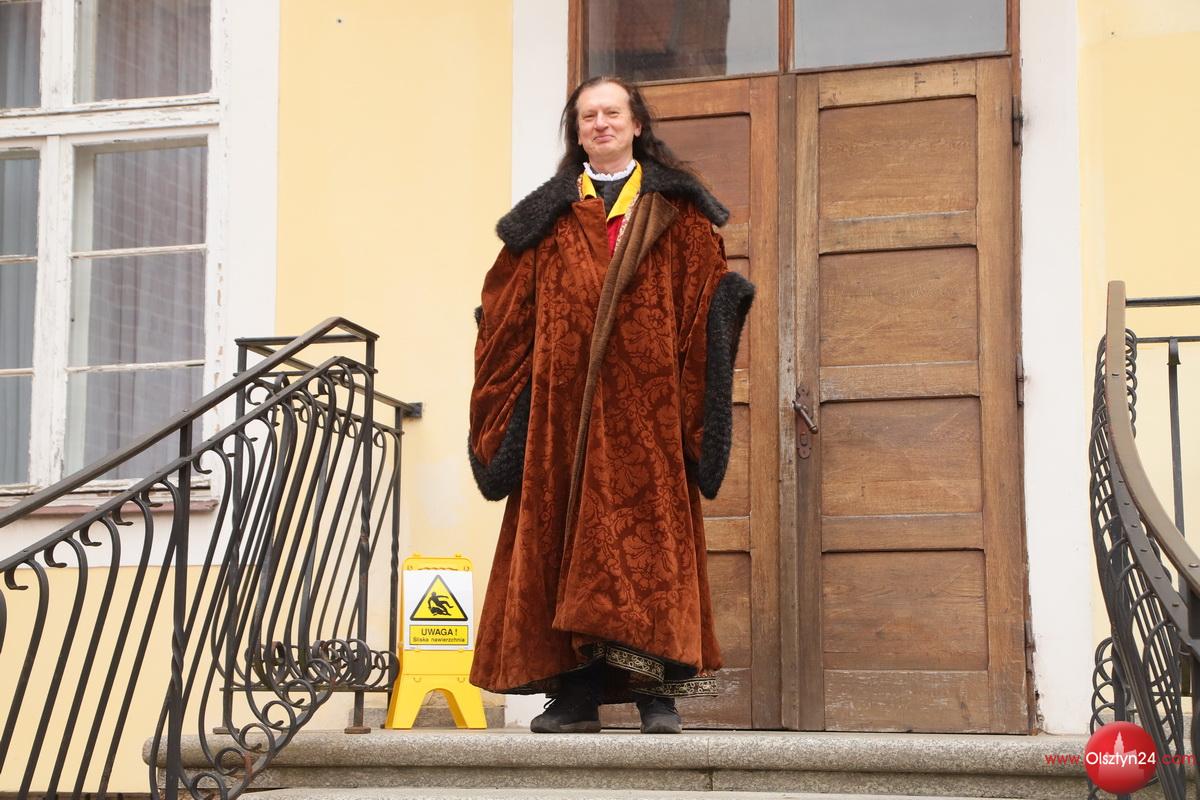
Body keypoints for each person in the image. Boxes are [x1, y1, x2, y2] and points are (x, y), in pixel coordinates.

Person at [467, 75, 754, 735]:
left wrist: (698, 397)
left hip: (646, 416)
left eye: (611, 113)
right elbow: (506, 313)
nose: (599, 124)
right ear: (578, 132)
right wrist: (513, 409)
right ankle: (575, 699)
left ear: (636, 125)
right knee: (564, 548)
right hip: (562, 419)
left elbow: (702, 303)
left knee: (648, 553)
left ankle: (657, 697)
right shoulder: (546, 220)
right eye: (587, 116)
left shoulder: (677, 213)